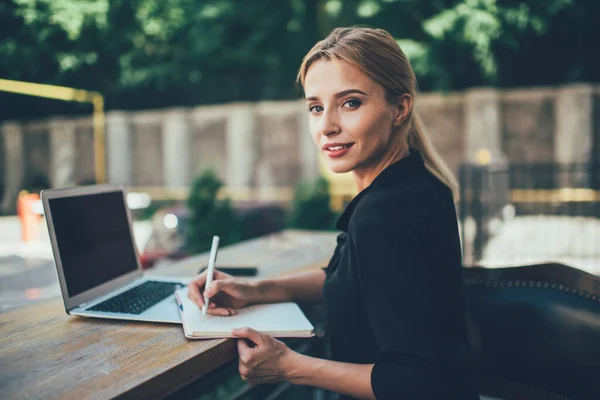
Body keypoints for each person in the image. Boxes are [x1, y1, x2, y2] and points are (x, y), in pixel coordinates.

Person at [187, 26, 478, 400]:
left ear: (400, 108)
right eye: (316, 107)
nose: (327, 126)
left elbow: (420, 381)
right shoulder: (420, 185)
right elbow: (351, 276)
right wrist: (256, 290)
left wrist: (289, 366)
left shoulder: (383, 216)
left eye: (350, 103)